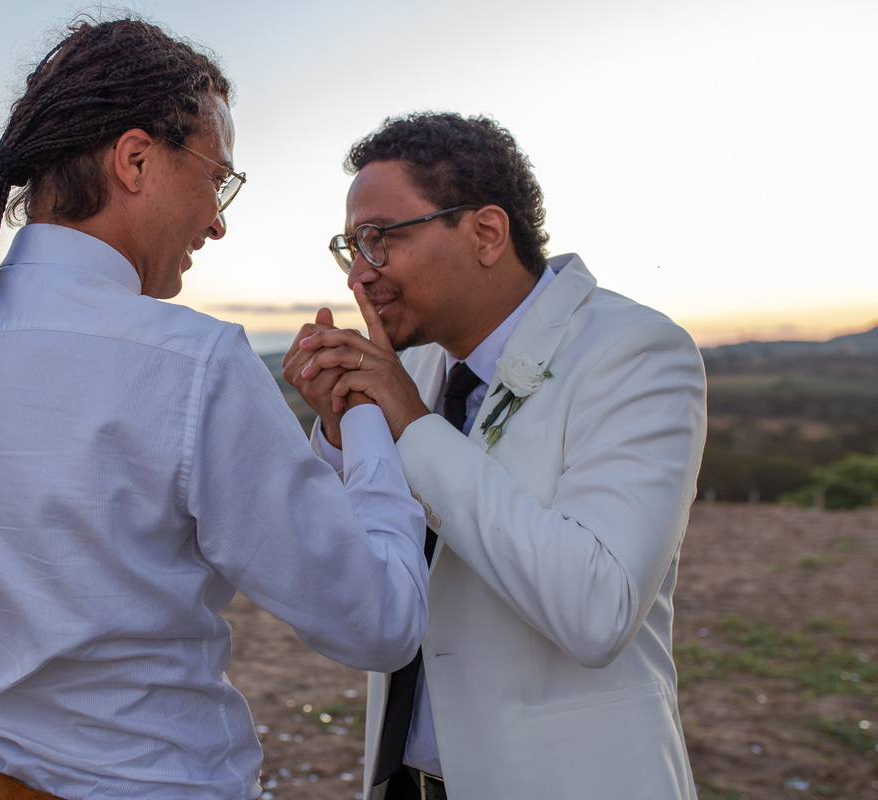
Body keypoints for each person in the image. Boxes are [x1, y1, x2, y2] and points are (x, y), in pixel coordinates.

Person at [0, 19, 429, 800]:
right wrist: (367, 425)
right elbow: (379, 620)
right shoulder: (190, 366)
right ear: (136, 160)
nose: (218, 219)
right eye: (218, 178)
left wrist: (13, 605)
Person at [284, 112, 707, 800]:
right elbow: (351, 579)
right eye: (351, 246)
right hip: (400, 782)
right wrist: (339, 438)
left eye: (380, 240)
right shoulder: (414, 371)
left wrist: (414, 428)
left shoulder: (638, 353)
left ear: (485, 233)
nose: (360, 276)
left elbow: (597, 611)